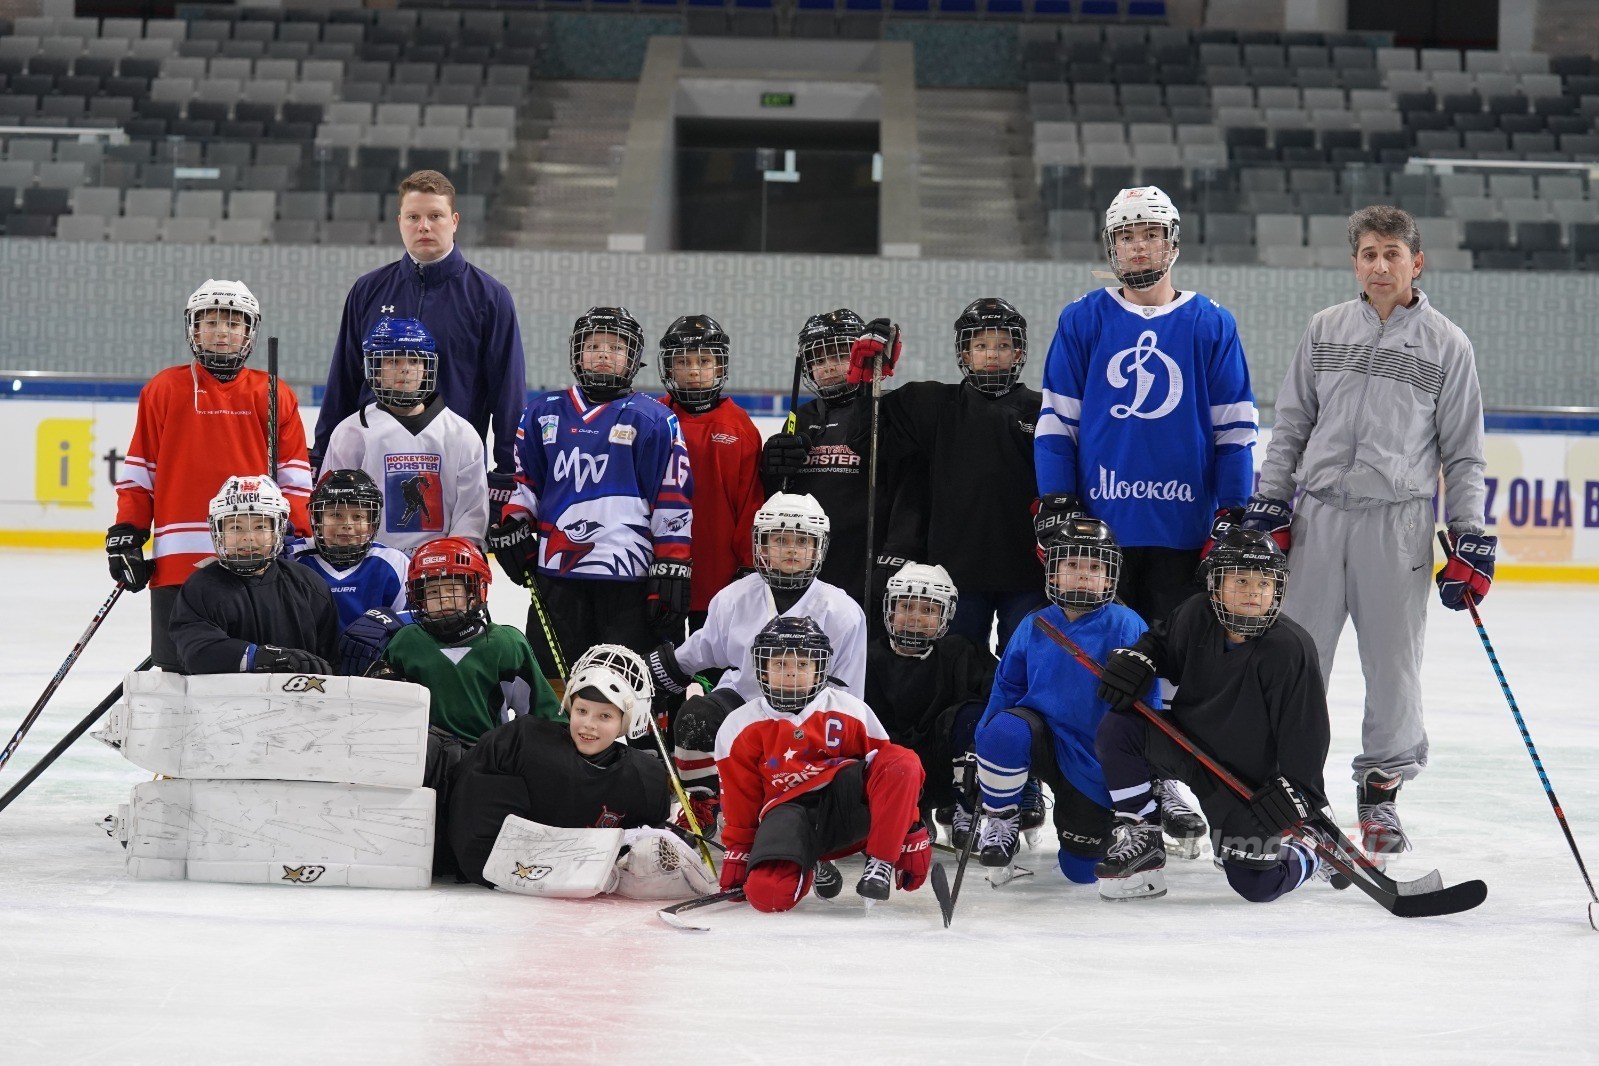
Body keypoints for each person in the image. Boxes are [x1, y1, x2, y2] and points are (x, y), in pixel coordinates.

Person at [1246, 205, 1491, 857]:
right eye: (1368, 253)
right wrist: (1269, 504)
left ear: (1417, 263)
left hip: (1399, 526)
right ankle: (1290, 792)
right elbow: (1290, 424)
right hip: (1318, 516)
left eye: (1392, 253)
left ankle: (1379, 797)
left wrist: (1470, 535)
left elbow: (1463, 453)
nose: (1379, 264)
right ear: (1354, 262)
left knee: (1392, 670)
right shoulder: (1324, 329)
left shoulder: (1447, 344)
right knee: (1295, 664)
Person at [1034, 186, 1259, 626]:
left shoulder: (1212, 323)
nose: (1138, 245)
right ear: (1111, 245)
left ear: (1172, 241)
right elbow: (1058, 423)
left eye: (1151, 233)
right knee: (1102, 664)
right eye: (1126, 236)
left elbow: (1233, 430)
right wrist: (1057, 498)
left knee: (1173, 662)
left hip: (1184, 529)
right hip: (1098, 532)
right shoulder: (1082, 318)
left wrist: (1232, 508)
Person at [1093, 528, 1337, 903]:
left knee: (1257, 885)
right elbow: (1160, 641)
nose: (1254, 592)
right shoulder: (1195, 614)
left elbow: (1307, 732)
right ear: (1216, 583)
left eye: (1264, 582)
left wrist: (1299, 789)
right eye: (1241, 580)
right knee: (1119, 728)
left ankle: (1311, 848)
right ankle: (1143, 834)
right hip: (1187, 747)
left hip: (1246, 782)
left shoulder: (1291, 650)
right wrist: (1140, 658)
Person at [109, 280, 313, 670]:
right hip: (178, 561)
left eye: (234, 323)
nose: (222, 331)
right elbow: (140, 473)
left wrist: (300, 539)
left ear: (249, 331)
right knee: (179, 672)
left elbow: (295, 480)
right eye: (211, 321)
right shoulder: (163, 389)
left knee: (254, 669)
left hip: (255, 554)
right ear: (193, 328)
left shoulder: (273, 392)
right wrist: (127, 531)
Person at [967, 520, 1184, 884]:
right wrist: (984, 748)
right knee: (1001, 732)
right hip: (1043, 737)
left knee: (1080, 872)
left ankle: (1112, 823)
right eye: (1073, 565)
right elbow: (1006, 688)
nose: (1084, 575)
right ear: (1053, 571)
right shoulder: (1034, 623)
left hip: (1096, 758)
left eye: (1095, 567)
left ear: (1110, 577)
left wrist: (1145, 771)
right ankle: (1002, 818)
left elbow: (1147, 709)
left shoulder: (1127, 624)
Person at [489, 307, 694, 670]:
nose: (603, 354)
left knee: (626, 691)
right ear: (577, 353)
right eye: (594, 345)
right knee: (553, 687)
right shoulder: (541, 412)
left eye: (615, 347)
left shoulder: (654, 419)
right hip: (557, 574)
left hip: (629, 577)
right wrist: (514, 523)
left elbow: (671, 498)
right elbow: (526, 485)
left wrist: (671, 564)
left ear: (633, 358)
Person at [650, 492, 867, 832]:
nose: (791, 549)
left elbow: (847, 695)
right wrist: (653, 671)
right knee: (695, 718)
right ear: (761, 546)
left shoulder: (842, 611)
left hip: (808, 716)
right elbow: (704, 648)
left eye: (802, 540)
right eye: (780, 539)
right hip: (743, 704)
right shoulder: (735, 597)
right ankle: (704, 801)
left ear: (818, 547)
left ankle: (803, 804)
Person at [312, 169, 525, 513]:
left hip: (454, 464)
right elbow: (345, 378)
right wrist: (321, 456)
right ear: (400, 222)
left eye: (435, 216)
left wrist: (507, 473)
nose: (424, 226)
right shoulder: (368, 290)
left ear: (454, 221)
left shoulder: (490, 297)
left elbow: (507, 393)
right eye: (413, 217)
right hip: (371, 465)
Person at [714, 616, 931, 910]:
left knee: (902, 759)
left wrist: (910, 829)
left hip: (847, 806)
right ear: (762, 670)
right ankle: (810, 863)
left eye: (802, 665)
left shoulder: (849, 709)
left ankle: (880, 862)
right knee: (768, 895)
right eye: (780, 665)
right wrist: (739, 851)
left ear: (819, 670)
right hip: (787, 816)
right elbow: (741, 799)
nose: (791, 674)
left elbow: (894, 774)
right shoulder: (738, 726)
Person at [878, 298, 1045, 652]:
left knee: (1024, 664)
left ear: (1018, 353)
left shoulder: (1044, 410)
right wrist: (871, 371)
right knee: (955, 666)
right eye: (980, 346)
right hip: (952, 574)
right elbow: (867, 419)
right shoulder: (931, 405)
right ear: (965, 355)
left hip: (1027, 572)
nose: (992, 354)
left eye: (1003, 345)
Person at [443, 644, 680, 888]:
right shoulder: (518, 744)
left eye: (604, 716)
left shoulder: (645, 779)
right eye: (582, 710)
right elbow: (476, 840)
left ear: (627, 721)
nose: (588, 724)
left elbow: (646, 848)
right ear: (569, 706)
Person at [320, 316, 490, 555]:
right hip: (372, 565)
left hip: (438, 574)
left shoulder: (460, 432)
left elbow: (472, 511)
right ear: (375, 369)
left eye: (414, 360)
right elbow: (333, 503)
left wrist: (451, 557)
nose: (405, 368)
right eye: (392, 360)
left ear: (426, 368)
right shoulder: (352, 431)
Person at [758, 309, 888, 608]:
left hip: (867, 562)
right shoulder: (801, 417)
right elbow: (778, 499)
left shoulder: (885, 410)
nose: (828, 367)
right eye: (819, 359)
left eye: (840, 355)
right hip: (807, 560)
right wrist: (771, 471)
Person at [379, 537, 561, 747]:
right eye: (432, 592)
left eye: (453, 590)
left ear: (475, 593)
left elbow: (545, 717)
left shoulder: (505, 644)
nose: (443, 599)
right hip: (422, 757)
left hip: (486, 762)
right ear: (418, 597)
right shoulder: (406, 641)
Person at [863, 562, 995, 841]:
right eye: (906, 607)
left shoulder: (962, 653)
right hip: (890, 767)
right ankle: (907, 810)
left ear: (946, 615)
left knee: (975, 714)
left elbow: (999, 697)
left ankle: (967, 807)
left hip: (943, 765)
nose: (916, 618)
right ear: (889, 609)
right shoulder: (867, 658)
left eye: (928, 610)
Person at [654, 314, 765, 632]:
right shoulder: (654, 418)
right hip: (662, 572)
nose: (693, 369)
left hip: (721, 576)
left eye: (703, 360)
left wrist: (748, 564)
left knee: (714, 674)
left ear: (719, 367)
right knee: (663, 670)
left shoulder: (740, 427)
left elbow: (751, 504)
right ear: (669, 368)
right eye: (683, 361)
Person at [169, 476, 337, 676]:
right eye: (236, 527)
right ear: (218, 531)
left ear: (278, 530)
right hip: (223, 704)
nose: (248, 537)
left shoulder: (310, 586)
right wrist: (262, 658)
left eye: (260, 527)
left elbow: (331, 662)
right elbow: (196, 653)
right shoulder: (201, 587)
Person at [292, 469, 410, 630]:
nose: (347, 524)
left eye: (357, 517)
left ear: (371, 523)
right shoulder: (293, 556)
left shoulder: (395, 563)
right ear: (317, 519)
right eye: (336, 515)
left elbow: (410, 627)